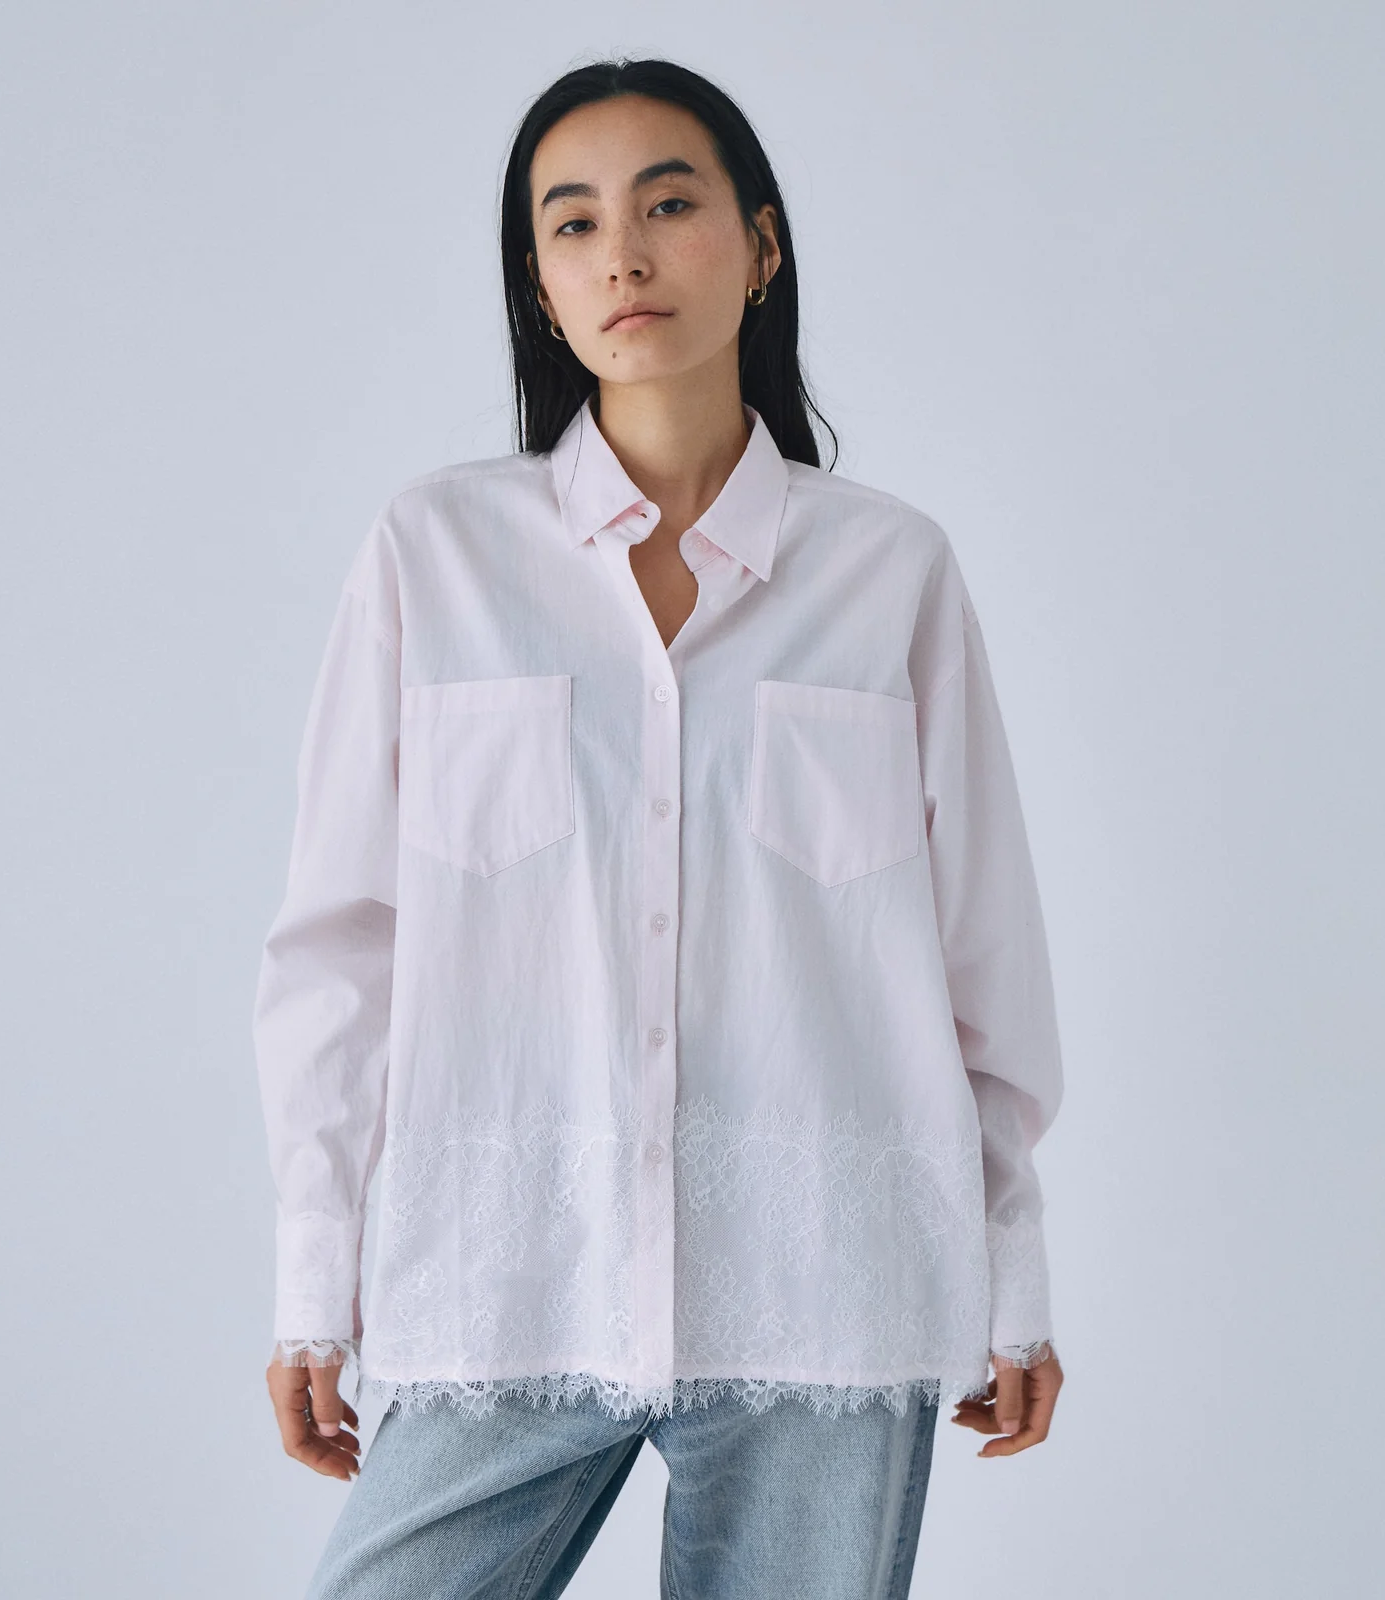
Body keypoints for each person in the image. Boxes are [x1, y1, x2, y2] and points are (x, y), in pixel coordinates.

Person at [253, 56, 1066, 1599]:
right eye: (572, 224)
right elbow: (343, 949)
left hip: (824, 1292)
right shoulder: (437, 554)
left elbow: (983, 954)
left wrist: (1011, 1268)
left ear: (760, 246)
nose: (622, 254)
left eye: (668, 205)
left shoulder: (889, 573)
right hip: (507, 1278)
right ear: (540, 287)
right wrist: (313, 1277)